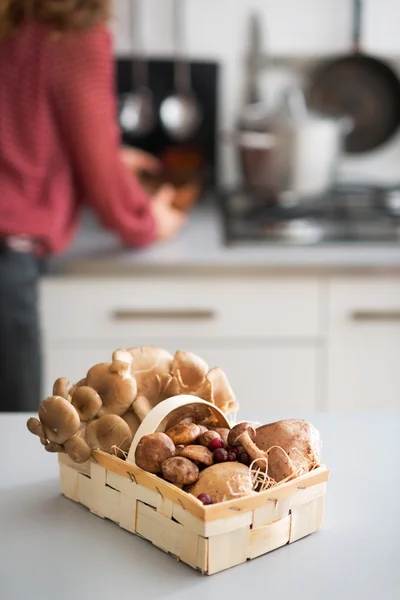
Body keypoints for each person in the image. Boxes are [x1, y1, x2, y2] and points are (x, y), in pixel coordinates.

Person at [0, 0, 186, 412]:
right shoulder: (69, 27)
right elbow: (96, 156)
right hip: (7, 263)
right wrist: (147, 221)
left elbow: (24, 127)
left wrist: (109, 160)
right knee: (10, 438)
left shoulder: (14, 20)